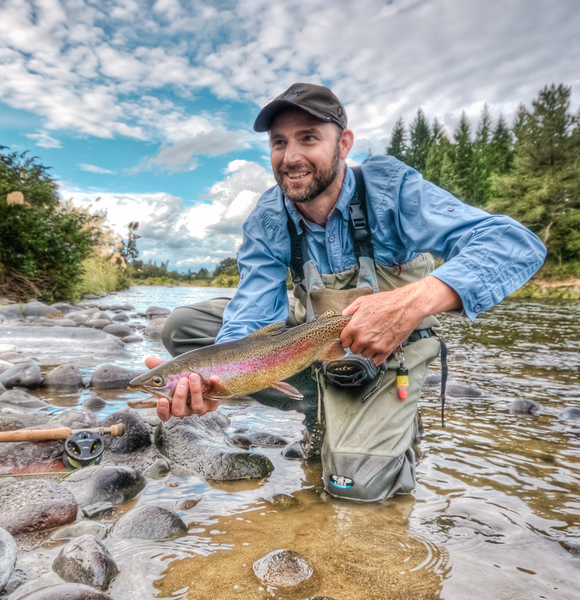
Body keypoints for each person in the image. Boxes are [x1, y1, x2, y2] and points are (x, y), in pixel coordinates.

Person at [148, 83, 546, 502]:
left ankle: (389, 418)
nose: (291, 157)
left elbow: (515, 243)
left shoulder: (391, 190)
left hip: (389, 354)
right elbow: (251, 317)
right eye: (279, 143)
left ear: (344, 144)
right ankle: (319, 410)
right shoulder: (267, 218)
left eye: (309, 138)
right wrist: (220, 382)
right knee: (186, 328)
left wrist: (416, 299)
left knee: (355, 489)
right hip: (310, 341)